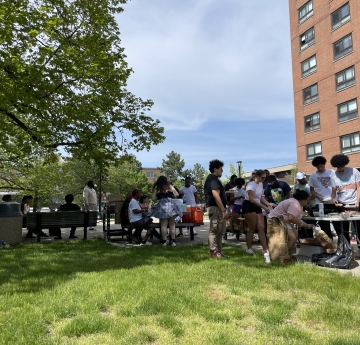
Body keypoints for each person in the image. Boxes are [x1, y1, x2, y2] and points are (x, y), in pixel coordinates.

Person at [268, 190, 314, 261]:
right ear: (302, 199)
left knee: (295, 235)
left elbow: (295, 219)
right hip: (275, 220)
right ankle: (284, 256)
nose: (307, 201)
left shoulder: (298, 203)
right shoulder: (294, 204)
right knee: (292, 238)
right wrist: (306, 225)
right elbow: (291, 218)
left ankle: (289, 255)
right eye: (307, 200)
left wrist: (305, 225)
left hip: (284, 220)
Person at [204, 159, 230, 258]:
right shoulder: (213, 179)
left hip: (218, 208)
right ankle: (213, 252)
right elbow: (216, 195)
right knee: (215, 230)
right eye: (221, 169)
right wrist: (223, 209)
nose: (222, 171)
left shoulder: (212, 179)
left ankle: (219, 251)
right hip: (216, 208)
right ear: (215, 169)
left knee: (220, 231)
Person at [242, 170, 272, 255]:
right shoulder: (250, 185)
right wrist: (263, 207)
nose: (264, 179)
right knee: (252, 228)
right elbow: (251, 199)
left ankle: (265, 250)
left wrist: (267, 204)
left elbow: (260, 197)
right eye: (262, 177)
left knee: (261, 228)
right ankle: (249, 248)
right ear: (257, 176)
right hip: (249, 205)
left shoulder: (260, 184)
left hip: (257, 205)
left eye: (265, 177)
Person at [150, 176, 183, 246]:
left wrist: (157, 196)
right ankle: (173, 241)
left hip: (162, 206)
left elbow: (153, 198)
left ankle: (164, 241)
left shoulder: (157, 188)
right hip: (171, 205)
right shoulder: (169, 186)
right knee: (172, 225)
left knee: (163, 225)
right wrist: (172, 193)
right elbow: (177, 194)